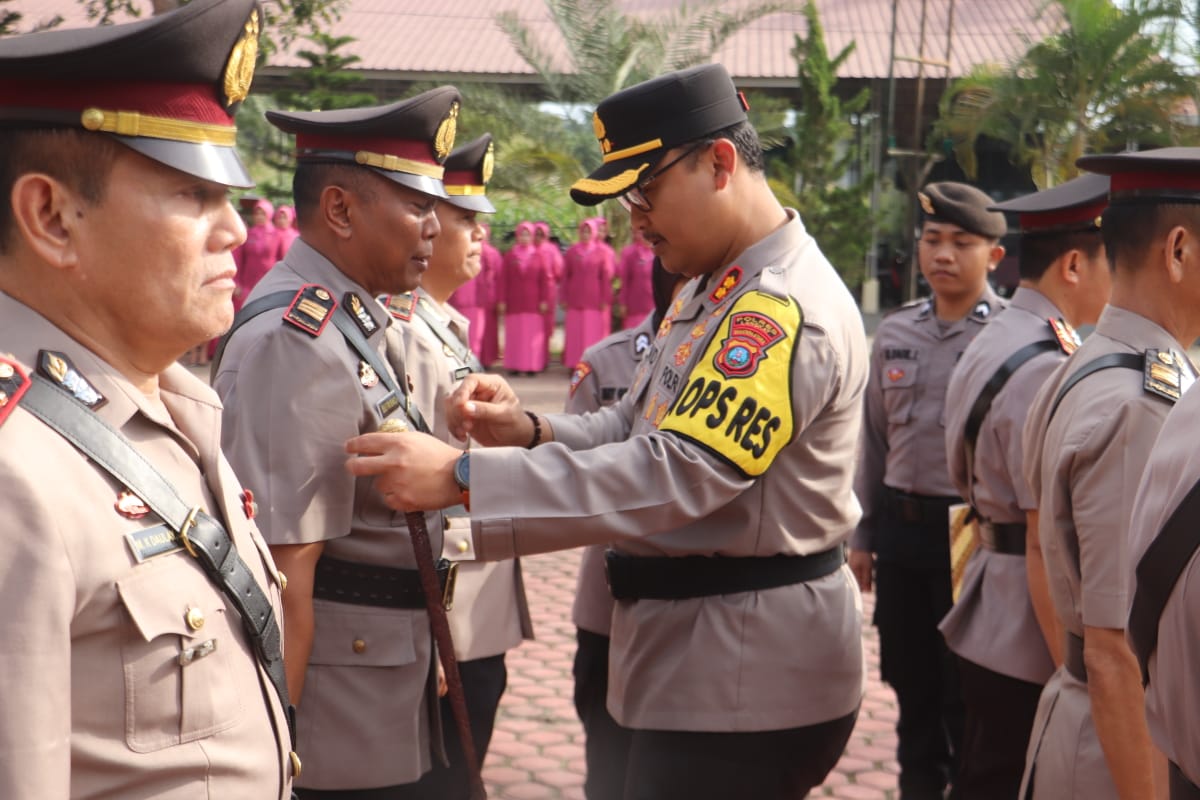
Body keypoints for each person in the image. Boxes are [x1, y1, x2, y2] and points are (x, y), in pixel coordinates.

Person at [345, 62, 867, 800]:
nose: (638, 219)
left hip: (741, 679)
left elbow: (674, 472)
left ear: (719, 164)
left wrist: (462, 479)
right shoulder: (715, 288)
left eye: (646, 191)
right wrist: (529, 430)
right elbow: (639, 422)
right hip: (696, 656)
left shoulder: (774, 311)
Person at [0, 1, 296, 797]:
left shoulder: (164, 401)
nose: (235, 231)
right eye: (194, 196)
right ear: (53, 218)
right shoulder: (15, 471)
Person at [213, 87, 462, 798]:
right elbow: (285, 576)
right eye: (417, 207)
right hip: (335, 716)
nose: (435, 229)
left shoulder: (357, 321)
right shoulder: (300, 345)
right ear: (342, 210)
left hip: (382, 675)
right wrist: (275, 759)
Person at [1020, 148, 1200, 800]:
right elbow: (1114, 652)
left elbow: (1040, 550)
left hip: (1085, 725)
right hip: (1123, 755)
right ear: (1177, 250)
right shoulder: (1143, 407)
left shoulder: (1088, 360)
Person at [939, 174, 1112, 800]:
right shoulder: (1047, 365)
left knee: (981, 769)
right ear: (1073, 264)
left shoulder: (1002, 335)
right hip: (1028, 626)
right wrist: (1074, 670)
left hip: (989, 596)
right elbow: (1044, 540)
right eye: (1108, 262)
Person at [386, 133, 534, 799]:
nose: (479, 238)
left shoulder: (443, 323)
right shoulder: (404, 329)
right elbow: (416, 490)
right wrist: (433, 629)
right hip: (450, 618)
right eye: (465, 221)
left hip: (472, 611)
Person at [850, 181, 1008, 800]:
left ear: (993, 255)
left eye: (961, 243)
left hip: (973, 533)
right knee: (910, 679)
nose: (943, 254)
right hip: (901, 530)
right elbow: (875, 442)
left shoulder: (1009, 338)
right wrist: (863, 537)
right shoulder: (896, 333)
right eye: (933, 240)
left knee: (965, 686)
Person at [567, 258, 687, 800]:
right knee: (609, 762)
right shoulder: (608, 360)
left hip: (697, 613)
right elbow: (564, 476)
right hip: (611, 603)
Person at [561, 217, 617, 368]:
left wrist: (606, 299)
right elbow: (566, 276)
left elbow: (605, 277)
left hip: (594, 300)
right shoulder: (573, 251)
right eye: (583, 231)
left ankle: (592, 364)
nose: (585, 234)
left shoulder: (601, 252)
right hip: (575, 299)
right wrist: (564, 297)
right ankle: (574, 363)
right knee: (575, 333)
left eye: (588, 231)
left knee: (592, 333)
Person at [500, 221, 554, 375]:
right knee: (515, 334)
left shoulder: (539, 256)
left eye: (527, 234)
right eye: (522, 234)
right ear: (517, 236)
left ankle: (531, 366)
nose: (524, 237)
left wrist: (544, 300)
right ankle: (514, 366)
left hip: (533, 302)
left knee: (532, 336)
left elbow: (545, 280)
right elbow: (503, 280)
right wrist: (502, 300)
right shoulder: (510, 256)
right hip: (514, 302)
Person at [449, 219, 499, 364]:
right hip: (457, 299)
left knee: (474, 336)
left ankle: (472, 363)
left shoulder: (489, 253)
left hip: (476, 301)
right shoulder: (458, 249)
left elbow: (492, 277)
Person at [234, 197, 281, 309]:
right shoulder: (248, 234)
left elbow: (282, 260)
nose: (259, 217)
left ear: (269, 214)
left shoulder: (277, 235)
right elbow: (238, 259)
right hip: (247, 284)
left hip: (269, 282)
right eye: (257, 213)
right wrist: (236, 282)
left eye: (263, 213)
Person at [535, 221, 564, 366]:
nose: (539, 237)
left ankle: (544, 357)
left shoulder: (552, 250)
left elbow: (559, 271)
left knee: (546, 326)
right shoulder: (529, 248)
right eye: (537, 233)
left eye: (542, 234)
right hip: (532, 294)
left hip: (547, 291)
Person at [616, 227, 655, 329]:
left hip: (654, 304)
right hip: (634, 306)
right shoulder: (629, 253)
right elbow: (624, 280)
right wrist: (623, 303)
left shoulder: (658, 251)